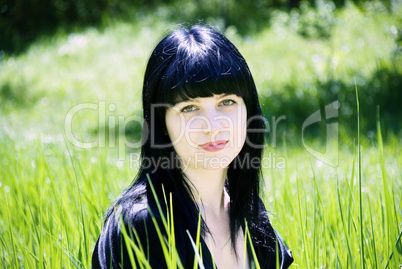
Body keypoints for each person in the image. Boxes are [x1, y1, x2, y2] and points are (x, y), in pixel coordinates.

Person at [92, 24, 293, 269]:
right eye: (189, 108)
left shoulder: (251, 214)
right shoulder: (142, 225)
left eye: (227, 102)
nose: (213, 125)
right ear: (162, 124)